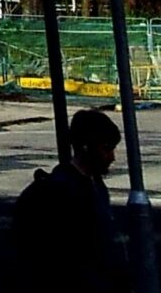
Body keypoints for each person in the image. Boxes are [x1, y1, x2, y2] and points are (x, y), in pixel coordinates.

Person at [11, 107, 127, 292]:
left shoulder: (92, 185)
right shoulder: (60, 194)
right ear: (86, 147)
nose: (112, 157)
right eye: (106, 148)